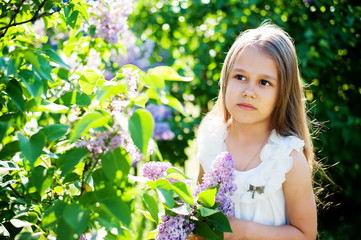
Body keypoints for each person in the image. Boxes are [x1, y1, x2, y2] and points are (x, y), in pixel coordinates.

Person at [193, 23, 317, 239]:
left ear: (282, 93)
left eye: (264, 82)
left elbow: (305, 235)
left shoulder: (286, 159)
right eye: (240, 77)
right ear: (225, 80)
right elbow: (200, 207)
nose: (249, 91)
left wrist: (242, 231)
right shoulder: (212, 139)